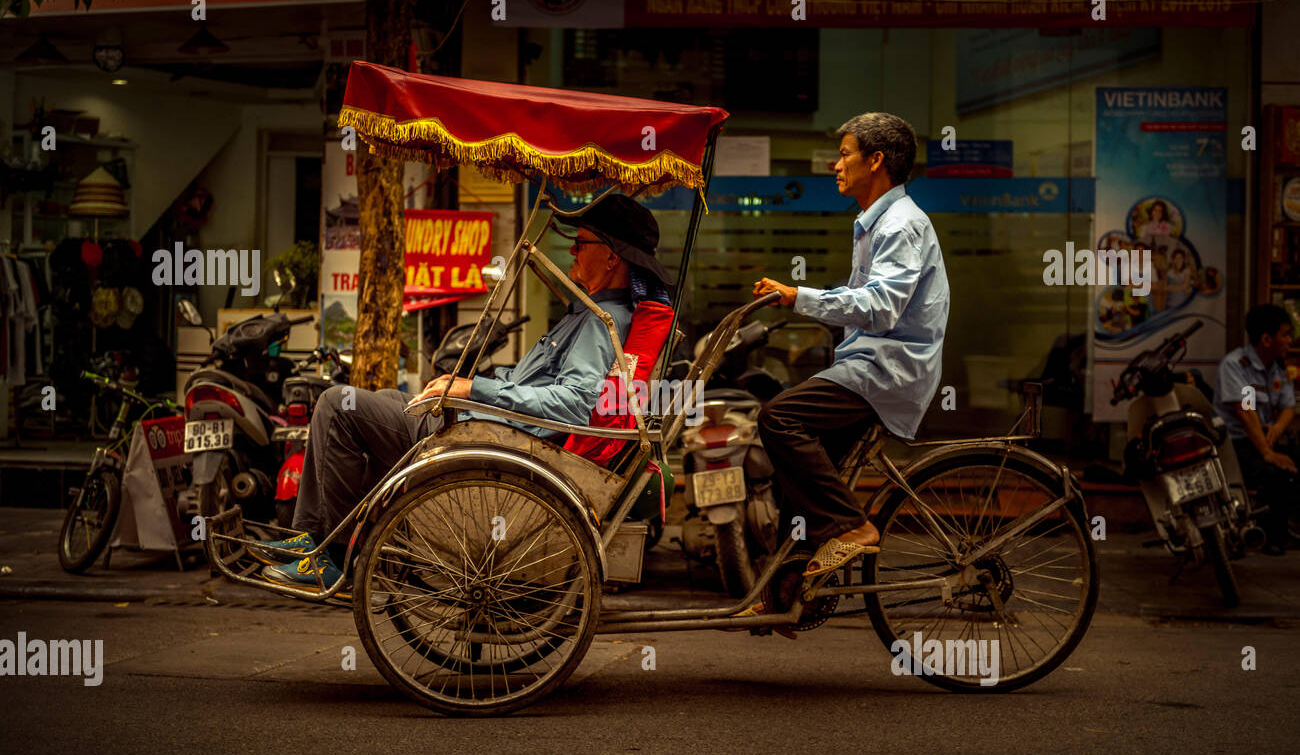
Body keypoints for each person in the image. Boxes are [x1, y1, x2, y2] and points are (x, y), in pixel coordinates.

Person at [259, 194, 672, 593]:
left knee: (337, 406)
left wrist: (476, 388)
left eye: (581, 244)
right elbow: (543, 384)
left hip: (501, 440)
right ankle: (315, 536)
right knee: (384, 396)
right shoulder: (587, 313)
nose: (572, 255)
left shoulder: (603, 322)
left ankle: (329, 556)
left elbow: (574, 404)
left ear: (612, 256)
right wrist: (480, 382)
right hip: (494, 427)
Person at [750, 112, 950, 582]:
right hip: (869, 365)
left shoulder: (900, 225)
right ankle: (784, 591)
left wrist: (799, 296)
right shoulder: (874, 221)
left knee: (778, 418)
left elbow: (880, 306)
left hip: (887, 371)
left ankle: (854, 528)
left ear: (875, 160)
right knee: (797, 476)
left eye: (844, 155)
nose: (836, 166)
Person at [1213, 304, 1297, 555]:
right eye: (1285, 334)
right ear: (1266, 339)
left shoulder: (1278, 367)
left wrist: (1276, 431)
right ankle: (1272, 536)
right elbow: (1245, 411)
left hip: (1264, 437)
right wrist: (1267, 452)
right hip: (1236, 443)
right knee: (1273, 472)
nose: (1289, 341)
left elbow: (1288, 407)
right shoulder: (1236, 365)